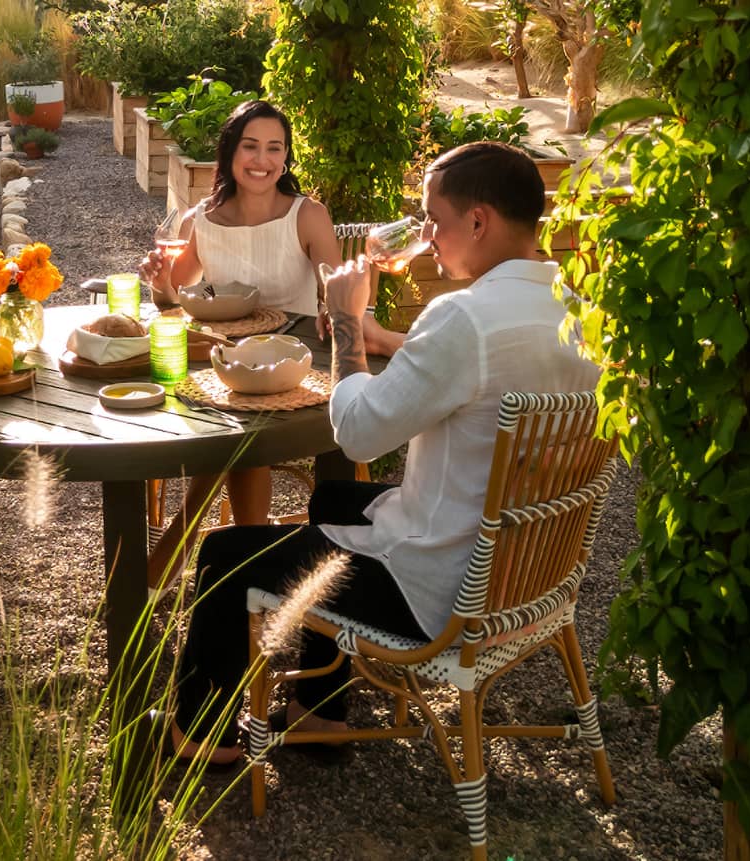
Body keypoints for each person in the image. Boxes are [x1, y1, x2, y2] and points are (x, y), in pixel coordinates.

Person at [165, 141, 601, 767]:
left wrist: (347, 322)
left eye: (435, 219)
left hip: (439, 591)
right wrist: (388, 340)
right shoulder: (574, 302)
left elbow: (360, 434)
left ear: (477, 222)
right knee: (333, 497)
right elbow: (479, 370)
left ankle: (205, 740)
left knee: (225, 552)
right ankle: (319, 709)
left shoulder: (462, 318)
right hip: (528, 567)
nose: (427, 234)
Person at [137, 100, 396, 590]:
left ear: (286, 156)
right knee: (233, 416)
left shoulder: (307, 214)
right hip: (227, 360)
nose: (262, 160)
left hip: (298, 361)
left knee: (240, 428)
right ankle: (243, 562)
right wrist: (159, 282)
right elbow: (177, 297)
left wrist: (333, 305)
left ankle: (194, 541)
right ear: (231, 152)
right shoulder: (202, 219)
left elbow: (337, 286)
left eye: (274, 149)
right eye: (251, 146)